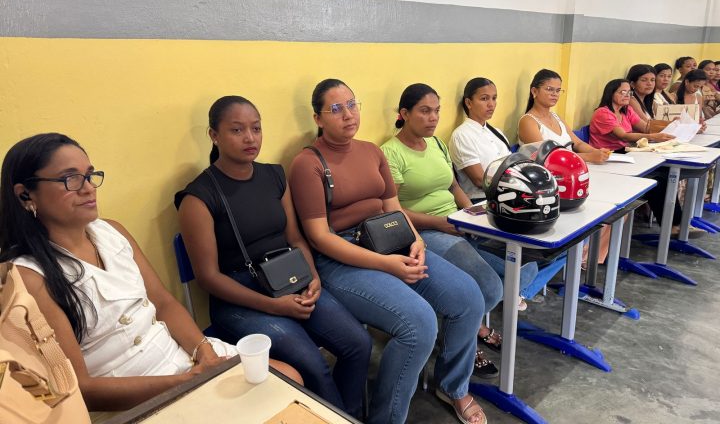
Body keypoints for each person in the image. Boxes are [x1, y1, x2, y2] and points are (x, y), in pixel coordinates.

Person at [0, 133, 300, 412]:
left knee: (288, 378)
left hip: (181, 355)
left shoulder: (112, 231)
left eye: (90, 175)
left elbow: (163, 302)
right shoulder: (29, 277)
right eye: (71, 179)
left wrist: (205, 353)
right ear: (26, 195)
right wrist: (189, 381)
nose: (89, 187)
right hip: (134, 392)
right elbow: (83, 388)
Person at [290, 79, 487, 424]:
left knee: (469, 297)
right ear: (318, 118)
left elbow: (392, 208)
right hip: (341, 257)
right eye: (335, 109)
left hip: (388, 239)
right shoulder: (308, 164)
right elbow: (320, 238)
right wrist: (388, 265)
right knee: (419, 324)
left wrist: (417, 241)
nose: (348, 114)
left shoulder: (371, 151)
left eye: (352, 105)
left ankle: (452, 386)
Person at [174, 96, 371, 418]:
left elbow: (295, 238)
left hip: (290, 279)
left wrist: (313, 278)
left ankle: (346, 414)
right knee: (310, 363)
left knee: (358, 344)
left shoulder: (274, 176)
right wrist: (274, 306)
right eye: (237, 130)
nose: (250, 138)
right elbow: (209, 277)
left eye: (256, 128)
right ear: (214, 135)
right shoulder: (199, 197)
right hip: (239, 298)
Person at [380, 83, 510, 379]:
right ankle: (459, 344)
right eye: (425, 111)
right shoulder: (391, 153)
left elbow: (452, 186)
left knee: (510, 269)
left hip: (456, 223)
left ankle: (469, 327)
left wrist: (472, 213)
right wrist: (439, 223)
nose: (433, 118)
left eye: (437, 111)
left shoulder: (437, 144)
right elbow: (392, 210)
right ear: (404, 114)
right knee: (490, 288)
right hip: (424, 232)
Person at [448, 77, 539, 301]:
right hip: (482, 200)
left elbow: (514, 166)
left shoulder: (496, 132)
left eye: (494, 98)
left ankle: (509, 288)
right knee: (530, 260)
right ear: (469, 102)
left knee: (546, 245)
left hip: (509, 195)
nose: (491, 104)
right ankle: (510, 289)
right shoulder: (462, 135)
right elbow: (480, 180)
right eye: (484, 99)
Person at [517, 69, 613, 267]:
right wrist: (590, 157)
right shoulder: (528, 121)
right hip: (552, 183)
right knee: (603, 209)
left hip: (575, 175)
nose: (554, 94)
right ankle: (581, 256)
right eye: (549, 89)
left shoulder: (557, 118)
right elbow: (548, 159)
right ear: (534, 91)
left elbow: (577, 143)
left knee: (617, 207)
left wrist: (597, 152)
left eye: (558, 90)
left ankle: (589, 254)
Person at [589, 80, 703, 238]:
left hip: (627, 154)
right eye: (622, 92)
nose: (627, 96)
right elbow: (623, 135)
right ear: (610, 93)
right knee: (657, 181)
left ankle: (676, 224)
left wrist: (675, 124)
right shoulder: (603, 113)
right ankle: (673, 225)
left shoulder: (626, 110)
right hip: (610, 158)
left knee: (663, 175)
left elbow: (646, 127)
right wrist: (653, 137)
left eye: (629, 92)